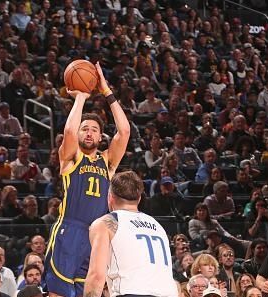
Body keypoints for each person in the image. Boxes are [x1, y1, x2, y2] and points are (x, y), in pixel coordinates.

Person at [45, 62, 130, 297]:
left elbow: (124, 132)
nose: (89, 132)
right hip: (69, 230)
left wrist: (106, 91)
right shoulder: (71, 159)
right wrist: (80, 97)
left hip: (96, 235)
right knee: (58, 293)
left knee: (89, 293)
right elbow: (70, 133)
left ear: (101, 136)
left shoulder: (107, 162)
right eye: (85, 128)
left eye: (94, 129)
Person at [83, 171, 177, 297]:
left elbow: (96, 276)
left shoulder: (105, 223)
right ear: (139, 198)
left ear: (110, 196)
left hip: (132, 292)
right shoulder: (157, 226)